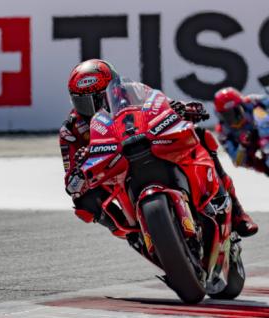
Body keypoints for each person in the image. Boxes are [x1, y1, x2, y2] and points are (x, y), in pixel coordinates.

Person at [59, 59, 258, 246]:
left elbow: (162, 104)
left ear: (113, 88)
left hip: (142, 144)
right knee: (83, 202)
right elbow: (71, 184)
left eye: (100, 98)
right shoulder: (71, 130)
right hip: (111, 169)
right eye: (84, 102)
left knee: (199, 135)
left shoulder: (132, 92)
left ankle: (238, 212)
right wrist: (79, 171)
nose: (93, 108)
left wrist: (182, 109)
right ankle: (131, 234)